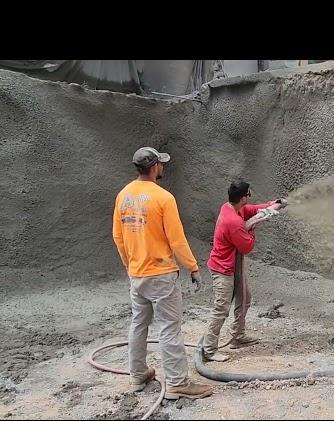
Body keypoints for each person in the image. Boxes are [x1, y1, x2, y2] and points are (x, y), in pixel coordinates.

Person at [112, 146, 213, 400]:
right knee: (169, 328)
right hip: (161, 274)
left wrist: (130, 265)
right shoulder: (163, 198)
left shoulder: (123, 195)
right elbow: (176, 240)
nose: (163, 167)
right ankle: (177, 383)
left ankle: (137, 375)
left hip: (137, 274)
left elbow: (118, 236)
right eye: (161, 164)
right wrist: (192, 267)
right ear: (155, 166)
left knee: (138, 323)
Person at [202, 180, 285, 362]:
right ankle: (208, 350)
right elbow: (247, 246)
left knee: (245, 299)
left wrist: (272, 205)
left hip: (233, 265)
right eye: (249, 194)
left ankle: (238, 336)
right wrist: (254, 224)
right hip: (223, 270)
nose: (250, 197)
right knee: (221, 309)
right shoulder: (233, 221)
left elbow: (251, 210)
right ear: (243, 197)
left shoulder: (231, 207)